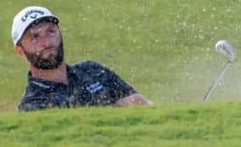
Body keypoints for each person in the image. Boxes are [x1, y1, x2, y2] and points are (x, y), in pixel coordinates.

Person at [12, 6, 149, 110]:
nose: (47, 42)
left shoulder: (92, 71)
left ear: (60, 33)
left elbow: (143, 107)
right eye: (35, 37)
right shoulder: (33, 105)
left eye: (50, 31)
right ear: (20, 51)